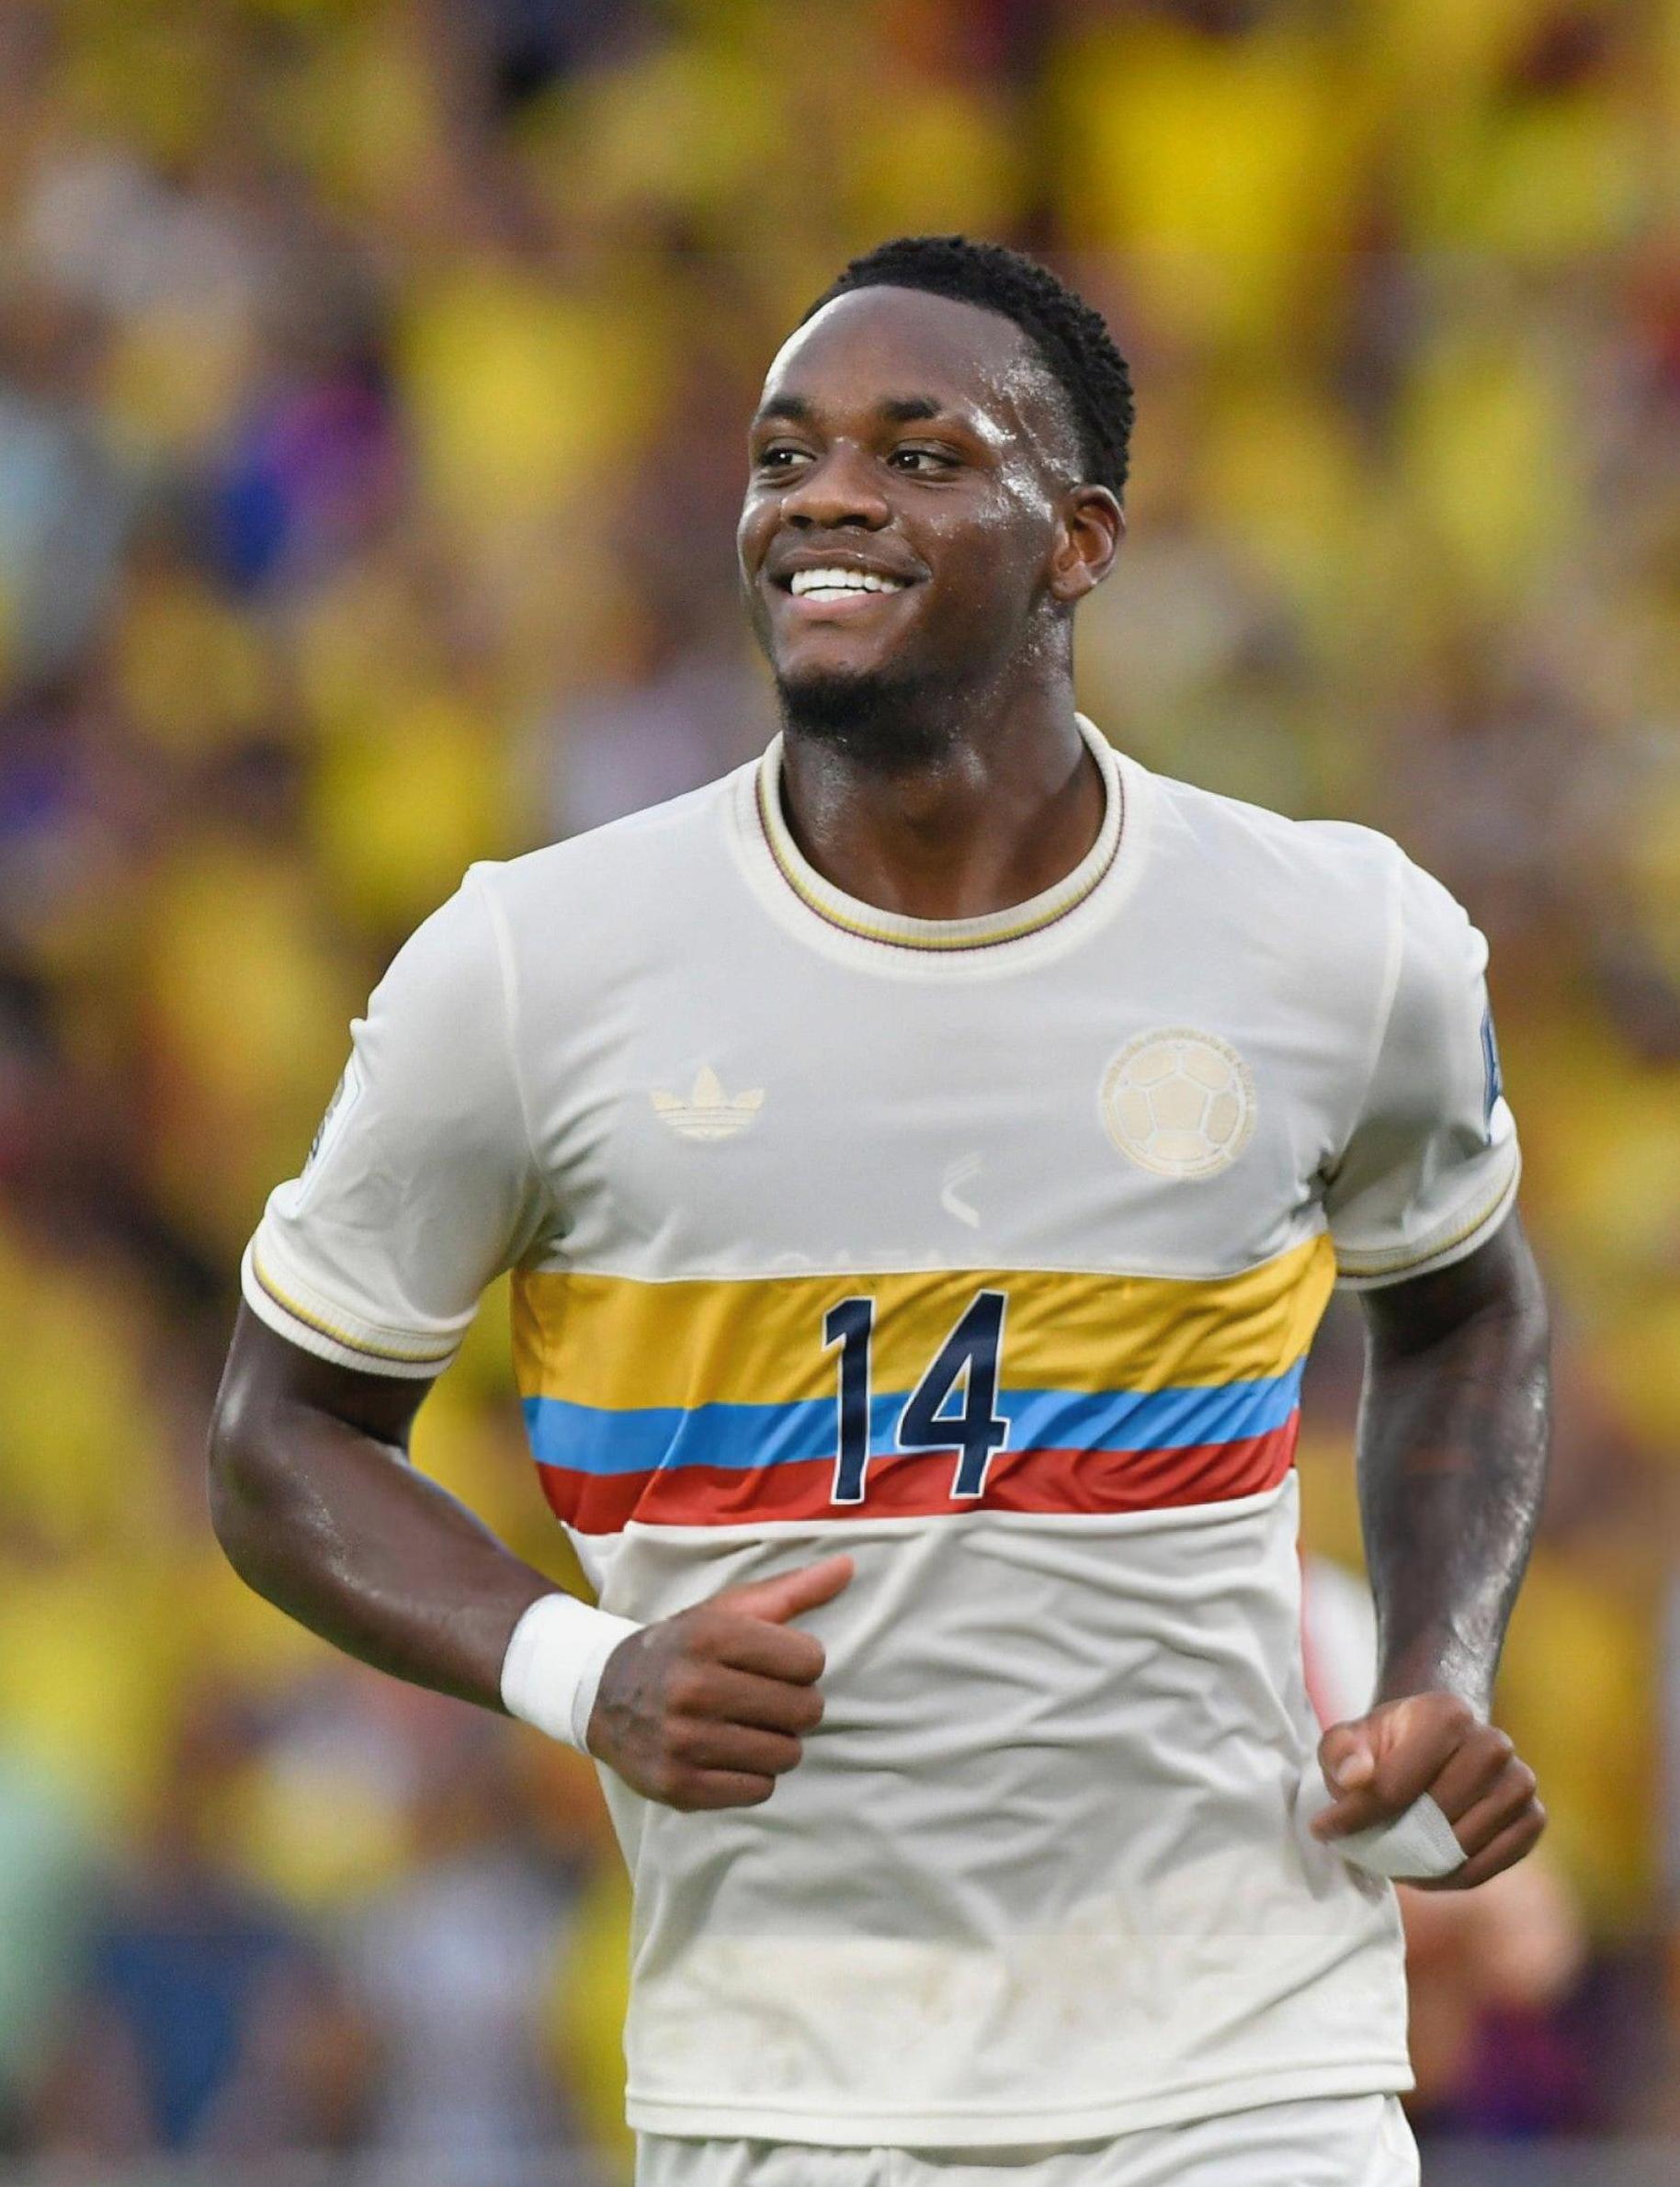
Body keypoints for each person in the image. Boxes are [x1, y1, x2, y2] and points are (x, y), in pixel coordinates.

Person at [210, 235, 1550, 2187]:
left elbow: (1464, 1306)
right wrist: (581, 1672)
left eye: (919, 455)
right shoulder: (531, 968)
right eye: (786, 456)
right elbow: (277, 1436)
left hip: (1249, 2070)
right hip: (784, 2090)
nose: (825, 496)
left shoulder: (1337, 940)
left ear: (1078, 540)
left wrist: (1436, 1668)